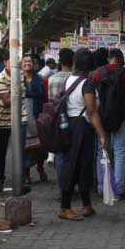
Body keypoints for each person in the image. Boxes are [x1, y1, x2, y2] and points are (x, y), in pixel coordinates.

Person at [59, 48, 109, 221]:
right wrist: (102, 134)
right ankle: (65, 208)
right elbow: (91, 110)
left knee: (81, 165)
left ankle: (87, 205)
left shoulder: (69, 79)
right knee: (75, 166)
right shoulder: (86, 83)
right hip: (81, 127)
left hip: (70, 125)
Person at [92, 48, 125, 198]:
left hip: (101, 117)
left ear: (108, 59)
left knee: (102, 152)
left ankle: (101, 187)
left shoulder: (97, 73)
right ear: (120, 58)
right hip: (120, 117)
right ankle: (117, 189)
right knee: (120, 152)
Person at [0, 53, 27, 193]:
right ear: (5, 62)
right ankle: (0, 179)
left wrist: (15, 95)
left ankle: (20, 181)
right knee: (2, 151)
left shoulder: (20, 75)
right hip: (2, 120)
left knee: (20, 150)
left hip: (20, 118)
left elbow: (21, 95)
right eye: (11, 61)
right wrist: (17, 94)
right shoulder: (0, 78)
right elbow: (7, 102)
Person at [48, 48, 74, 182]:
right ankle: (71, 183)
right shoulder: (76, 78)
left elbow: (50, 100)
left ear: (59, 61)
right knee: (71, 152)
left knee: (59, 152)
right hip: (73, 118)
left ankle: (61, 185)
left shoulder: (52, 79)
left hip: (57, 120)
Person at [21, 54, 48, 183]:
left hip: (38, 115)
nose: (27, 63)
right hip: (23, 117)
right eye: (25, 61)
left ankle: (40, 168)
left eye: (29, 61)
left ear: (34, 63)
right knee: (25, 146)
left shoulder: (41, 79)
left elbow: (45, 98)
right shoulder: (17, 80)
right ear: (21, 64)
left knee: (41, 146)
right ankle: (26, 173)